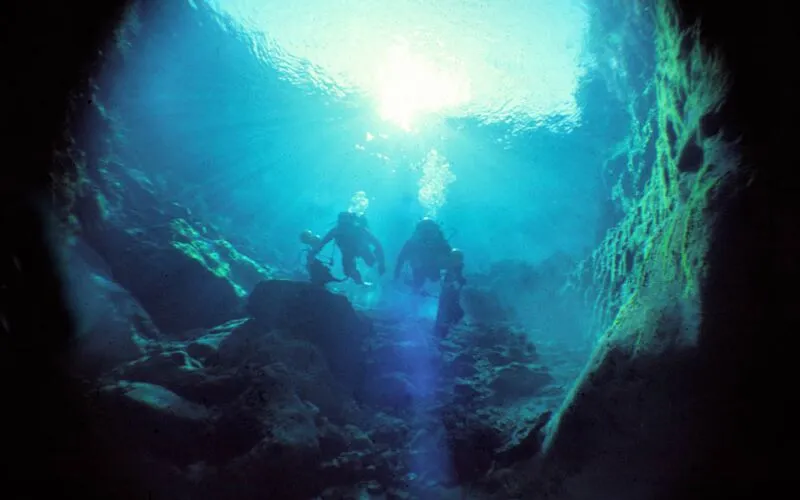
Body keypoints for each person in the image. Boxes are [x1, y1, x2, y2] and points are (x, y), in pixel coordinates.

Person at [309, 211, 386, 285]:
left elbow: (323, 242)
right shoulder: (339, 231)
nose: (345, 227)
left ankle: (370, 280)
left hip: (359, 250)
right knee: (349, 271)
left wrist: (381, 263)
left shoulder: (353, 230)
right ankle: (360, 281)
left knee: (371, 264)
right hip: (352, 251)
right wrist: (381, 262)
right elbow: (377, 244)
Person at [394, 217, 453, 293]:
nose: (428, 237)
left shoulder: (441, 244)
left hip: (433, 267)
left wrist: (396, 274)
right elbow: (401, 258)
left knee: (433, 279)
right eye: (425, 233)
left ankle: (415, 287)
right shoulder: (412, 243)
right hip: (420, 268)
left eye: (431, 233)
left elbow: (452, 260)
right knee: (418, 284)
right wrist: (397, 274)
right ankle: (415, 287)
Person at [435, 248, 467, 336]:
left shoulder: (461, 269)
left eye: (457, 258)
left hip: (456, 295)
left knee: (455, 311)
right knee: (444, 311)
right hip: (447, 294)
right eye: (453, 258)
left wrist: (456, 284)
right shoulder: (447, 268)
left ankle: (452, 329)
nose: (455, 260)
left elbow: (463, 281)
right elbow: (442, 280)